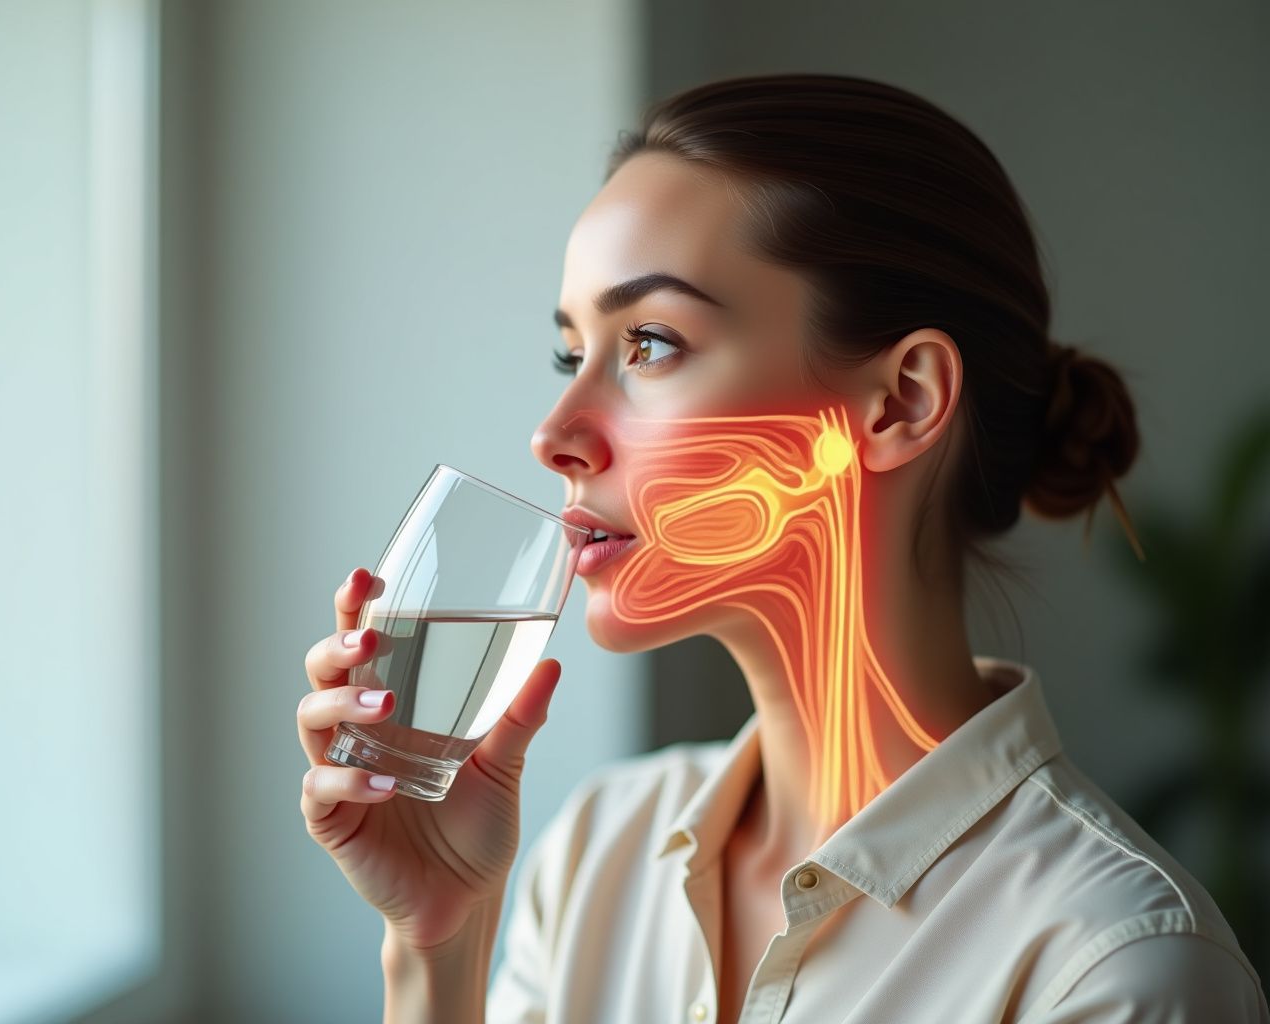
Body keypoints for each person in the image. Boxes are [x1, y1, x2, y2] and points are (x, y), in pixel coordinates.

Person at [297, 74, 1270, 1023]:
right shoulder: (598, 853)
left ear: (901, 401)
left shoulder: (1115, 969)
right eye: (571, 351)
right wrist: (436, 941)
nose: (554, 430)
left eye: (650, 343)